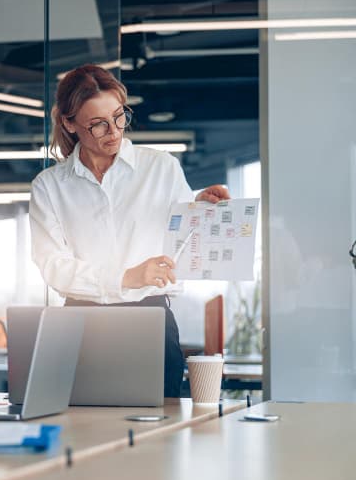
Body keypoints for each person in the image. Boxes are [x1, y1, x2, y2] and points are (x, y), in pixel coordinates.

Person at [30, 64, 231, 398]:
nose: (114, 131)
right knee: (83, 432)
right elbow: (53, 266)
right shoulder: (50, 187)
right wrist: (127, 277)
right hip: (80, 323)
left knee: (160, 436)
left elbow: (182, 234)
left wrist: (201, 207)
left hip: (149, 318)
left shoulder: (160, 167)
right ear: (69, 123)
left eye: (120, 116)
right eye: (97, 124)